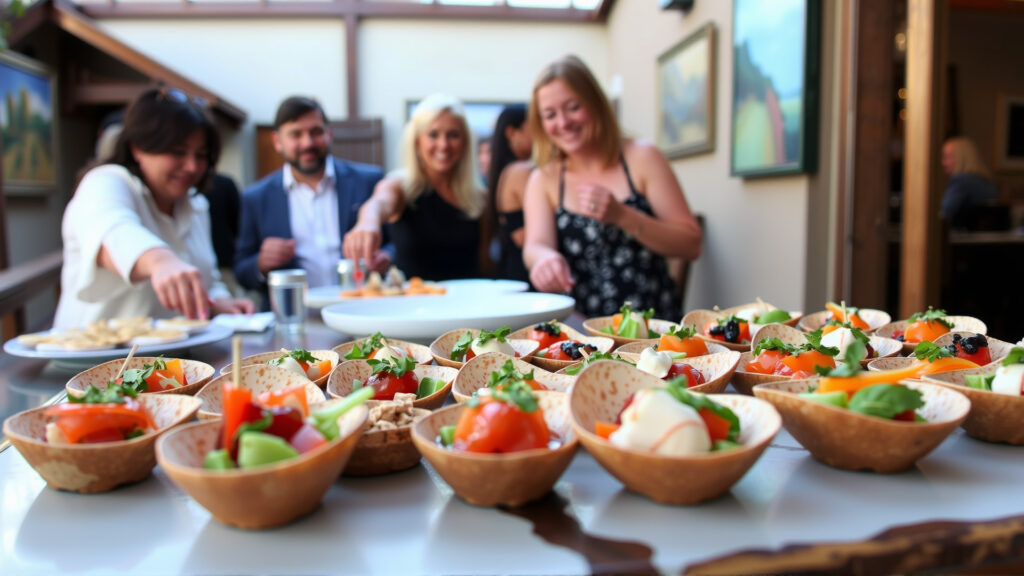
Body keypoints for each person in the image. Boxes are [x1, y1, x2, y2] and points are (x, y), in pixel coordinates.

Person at [54, 87, 254, 329]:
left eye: (201, 155)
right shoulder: (105, 183)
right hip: (98, 361)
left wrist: (220, 302)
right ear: (137, 147)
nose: (192, 166)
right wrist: (161, 261)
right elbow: (112, 232)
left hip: (172, 360)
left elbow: (207, 279)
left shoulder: (195, 204)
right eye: (177, 152)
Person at [522, 55, 701, 319]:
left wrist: (623, 216)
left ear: (595, 103)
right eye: (550, 114)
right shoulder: (543, 179)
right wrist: (543, 260)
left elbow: (691, 244)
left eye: (572, 107)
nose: (563, 122)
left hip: (652, 332)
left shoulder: (643, 158)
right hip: (581, 333)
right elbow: (535, 245)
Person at [234, 96, 385, 307]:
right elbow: (241, 270)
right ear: (277, 141)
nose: (308, 143)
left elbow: (396, 243)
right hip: (293, 318)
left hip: (361, 310)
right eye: (296, 134)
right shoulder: (256, 197)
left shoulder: (368, 181)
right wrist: (260, 263)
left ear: (329, 134)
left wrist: (385, 258)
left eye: (316, 132)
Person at [342, 93, 486, 281]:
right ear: (417, 141)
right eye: (433, 135)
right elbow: (378, 204)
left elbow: (487, 264)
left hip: (470, 306)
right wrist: (367, 223)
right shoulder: (400, 186)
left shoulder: (480, 197)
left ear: (465, 142)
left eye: (453, 135)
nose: (443, 145)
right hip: (415, 306)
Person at [488, 104, 534, 283]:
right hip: (525, 274)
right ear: (512, 133)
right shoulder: (522, 171)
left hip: (512, 270)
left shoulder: (507, 171)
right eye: (533, 128)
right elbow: (524, 237)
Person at [940, 137, 999, 230]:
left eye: (947, 157)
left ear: (961, 158)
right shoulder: (987, 181)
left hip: (960, 240)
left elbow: (944, 213)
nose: (943, 163)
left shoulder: (959, 181)